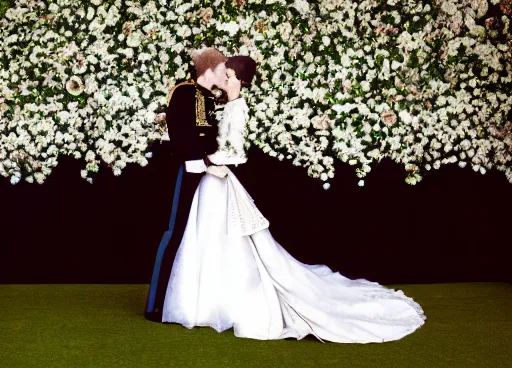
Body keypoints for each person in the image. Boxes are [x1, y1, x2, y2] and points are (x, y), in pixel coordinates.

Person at [161, 55, 427, 342]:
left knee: (223, 240)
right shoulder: (223, 105)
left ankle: (222, 303)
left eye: (228, 75)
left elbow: (237, 153)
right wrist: (207, 162)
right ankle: (207, 301)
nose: (223, 78)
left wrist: (209, 161)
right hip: (213, 181)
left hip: (219, 178)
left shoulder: (237, 109)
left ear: (238, 80)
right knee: (209, 239)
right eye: (224, 73)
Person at [144, 47, 228, 322]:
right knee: (175, 231)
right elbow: (180, 132)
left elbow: (209, 136)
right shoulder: (184, 92)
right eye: (221, 68)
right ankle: (155, 304)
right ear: (209, 68)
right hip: (187, 170)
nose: (224, 73)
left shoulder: (210, 98)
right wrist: (204, 164)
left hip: (205, 171)